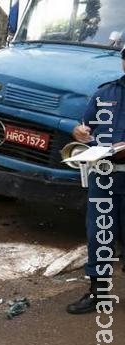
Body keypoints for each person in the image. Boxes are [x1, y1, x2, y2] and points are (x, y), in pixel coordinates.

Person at [66, 47, 125, 314]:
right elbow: (84, 127)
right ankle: (98, 293)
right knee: (99, 236)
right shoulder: (105, 92)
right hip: (103, 176)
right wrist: (78, 131)